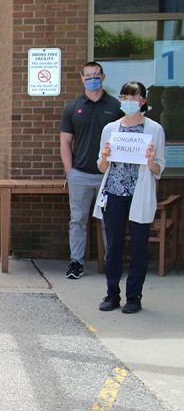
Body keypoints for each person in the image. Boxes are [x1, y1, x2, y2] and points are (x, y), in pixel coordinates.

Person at [93, 81, 165, 314]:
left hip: (139, 194)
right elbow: (103, 167)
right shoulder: (110, 129)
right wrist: (104, 157)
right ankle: (112, 294)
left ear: (143, 101)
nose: (129, 102)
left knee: (139, 246)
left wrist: (152, 160)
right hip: (114, 193)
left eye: (134, 98)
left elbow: (159, 168)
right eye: (125, 97)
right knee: (113, 245)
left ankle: (134, 296)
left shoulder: (154, 129)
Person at [60, 62, 121, 279]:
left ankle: (112, 264)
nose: (92, 79)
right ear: (82, 78)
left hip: (108, 175)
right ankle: (76, 262)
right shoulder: (72, 107)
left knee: (109, 221)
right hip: (81, 175)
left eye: (96, 75)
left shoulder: (115, 107)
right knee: (78, 220)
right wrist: (70, 171)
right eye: (88, 75)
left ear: (103, 77)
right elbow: (65, 142)